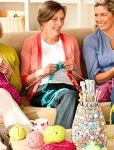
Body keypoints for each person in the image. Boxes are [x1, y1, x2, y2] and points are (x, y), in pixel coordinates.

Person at [21, 0, 83, 129]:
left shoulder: (71, 41)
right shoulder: (30, 42)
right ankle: (60, 141)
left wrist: (74, 68)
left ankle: (58, 141)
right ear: (43, 21)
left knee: (71, 95)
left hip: (69, 89)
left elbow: (79, 77)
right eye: (54, 19)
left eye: (62, 19)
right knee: (70, 96)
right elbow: (24, 81)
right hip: (43, 90)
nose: (59, 24)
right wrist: (41, 72)